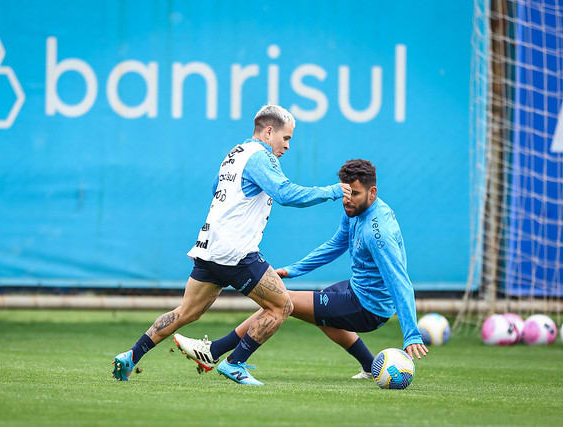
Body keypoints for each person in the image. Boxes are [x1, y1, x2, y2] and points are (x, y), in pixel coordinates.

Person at [112, 105, 351, 385]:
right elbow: (285, 194)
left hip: (209, 247)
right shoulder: (261, 157)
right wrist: (333, 191)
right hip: (235, 253)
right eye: (286, 138)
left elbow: (217, 187)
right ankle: (235, 363)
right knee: (281, 306)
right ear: (269, 131)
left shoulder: (235, 153)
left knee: (186, 312)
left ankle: (131, 356)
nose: (287, 146)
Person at [174, 159, 428, 380]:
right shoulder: (353, 211)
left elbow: (399, 281)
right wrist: (295, 270)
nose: (347, 200)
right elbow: (336, 245)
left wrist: (411, 333)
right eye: (346, 193)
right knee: (322, 317)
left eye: (356, 194)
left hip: (368, 308)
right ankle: (371, 367)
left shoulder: (378, 232)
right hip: (355, 289)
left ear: (372, 192)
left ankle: (215, 352)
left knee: (283, 301)